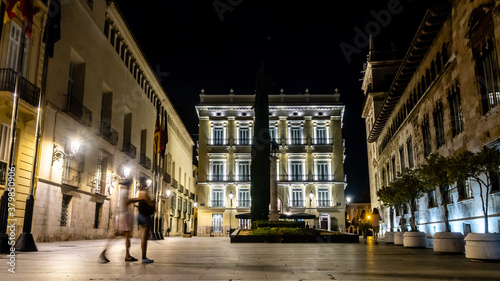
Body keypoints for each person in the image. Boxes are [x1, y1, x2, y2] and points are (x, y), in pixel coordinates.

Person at [99, 178, 137, 263]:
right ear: (128, 184)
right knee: (126, 236)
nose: (131, 186)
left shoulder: (122, 191)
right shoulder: (125, 192)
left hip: (121, 215)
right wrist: (137, 199)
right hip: (124, 215)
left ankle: (126, 254)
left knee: (116, 236)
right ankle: (126, 255)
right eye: (130, 184)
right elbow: (126, 202)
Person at [137, 177, 156, 264]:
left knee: (143, 237)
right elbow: (150, 204)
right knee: (144, 237)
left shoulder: (140, 192)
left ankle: (144, 256)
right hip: (145, 216)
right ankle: (144, 257)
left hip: (140, 215)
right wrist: (154, 202)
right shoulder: (145, 193)